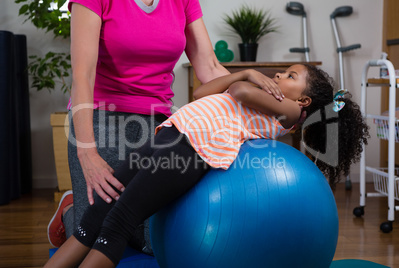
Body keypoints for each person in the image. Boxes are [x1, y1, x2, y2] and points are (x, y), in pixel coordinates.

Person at [44, 64, 370, 267]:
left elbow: (239, 91)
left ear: (304, 102)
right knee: (99, 210)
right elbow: (201, 91)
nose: (279, 75)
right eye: (283, 71)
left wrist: (249, 79)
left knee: (119, 221)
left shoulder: (290, 114)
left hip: (190, 151)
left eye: (291, 76)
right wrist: (244, 72)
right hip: (171, 135)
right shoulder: (264, 95)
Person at [47, 0, 294, 253]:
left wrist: (269, 103)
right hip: (101, 118)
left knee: (154, 241)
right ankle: (71, 210)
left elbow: (208, 66)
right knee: (91, 233)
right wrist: (87, 152)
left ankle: (91, 210)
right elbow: (82, 74)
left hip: (157, 123)